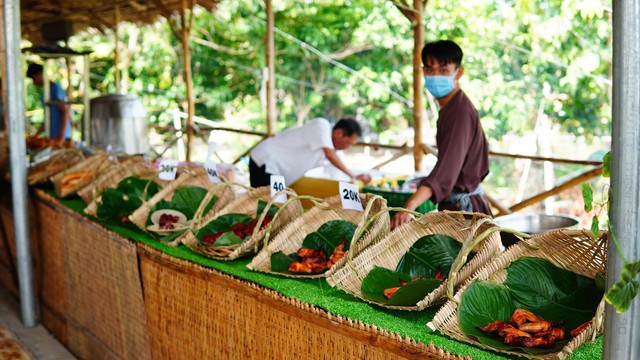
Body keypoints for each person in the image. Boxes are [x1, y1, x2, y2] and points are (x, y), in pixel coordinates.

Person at [391, 40, 493, 229]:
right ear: (423, 71)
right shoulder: (450, 107)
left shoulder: (459, 112)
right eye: (430, 69)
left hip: (466, 215)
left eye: (443, 70)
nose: (435, 75)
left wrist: (410, 205)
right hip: (456, 209)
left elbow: (446, 171)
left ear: (458, 73)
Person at [249, 118, 371, 187]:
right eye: (348, 142)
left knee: (274, 207)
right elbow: (330, 156)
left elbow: (338, 170)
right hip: (266, 160)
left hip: (277, 171)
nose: (347, 147)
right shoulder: (321, 125)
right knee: (264, 206)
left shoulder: (332, 151)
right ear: (338, 133)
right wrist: (353, 176)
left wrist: (356, 177)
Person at [26, 63, 71, 140]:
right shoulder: (46, 92)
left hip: (61, 137)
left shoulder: (55, 88)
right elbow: (48, 118)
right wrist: (35, 136)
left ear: (39, 74)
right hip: (52, 136)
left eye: (33, 78)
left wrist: (61, 137)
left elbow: (65, 111)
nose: (33, 82)